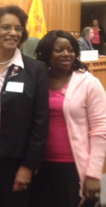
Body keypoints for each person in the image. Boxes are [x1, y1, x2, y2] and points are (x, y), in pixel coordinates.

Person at [0, 5, 49, 207]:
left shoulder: (35, 69)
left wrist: (28, 166)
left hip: (17, 153)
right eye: (6, 27)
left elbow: (40, 122)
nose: (13, 33)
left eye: (18, 28)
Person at [32, 30, 106, 207]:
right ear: (47, 53)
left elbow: (100, 130)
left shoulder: (89, 83)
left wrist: (94, 174)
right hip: (40, 168)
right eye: (59, 50)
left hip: (74, 169)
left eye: (71, 49)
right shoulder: (37, 81)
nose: (66, 54)